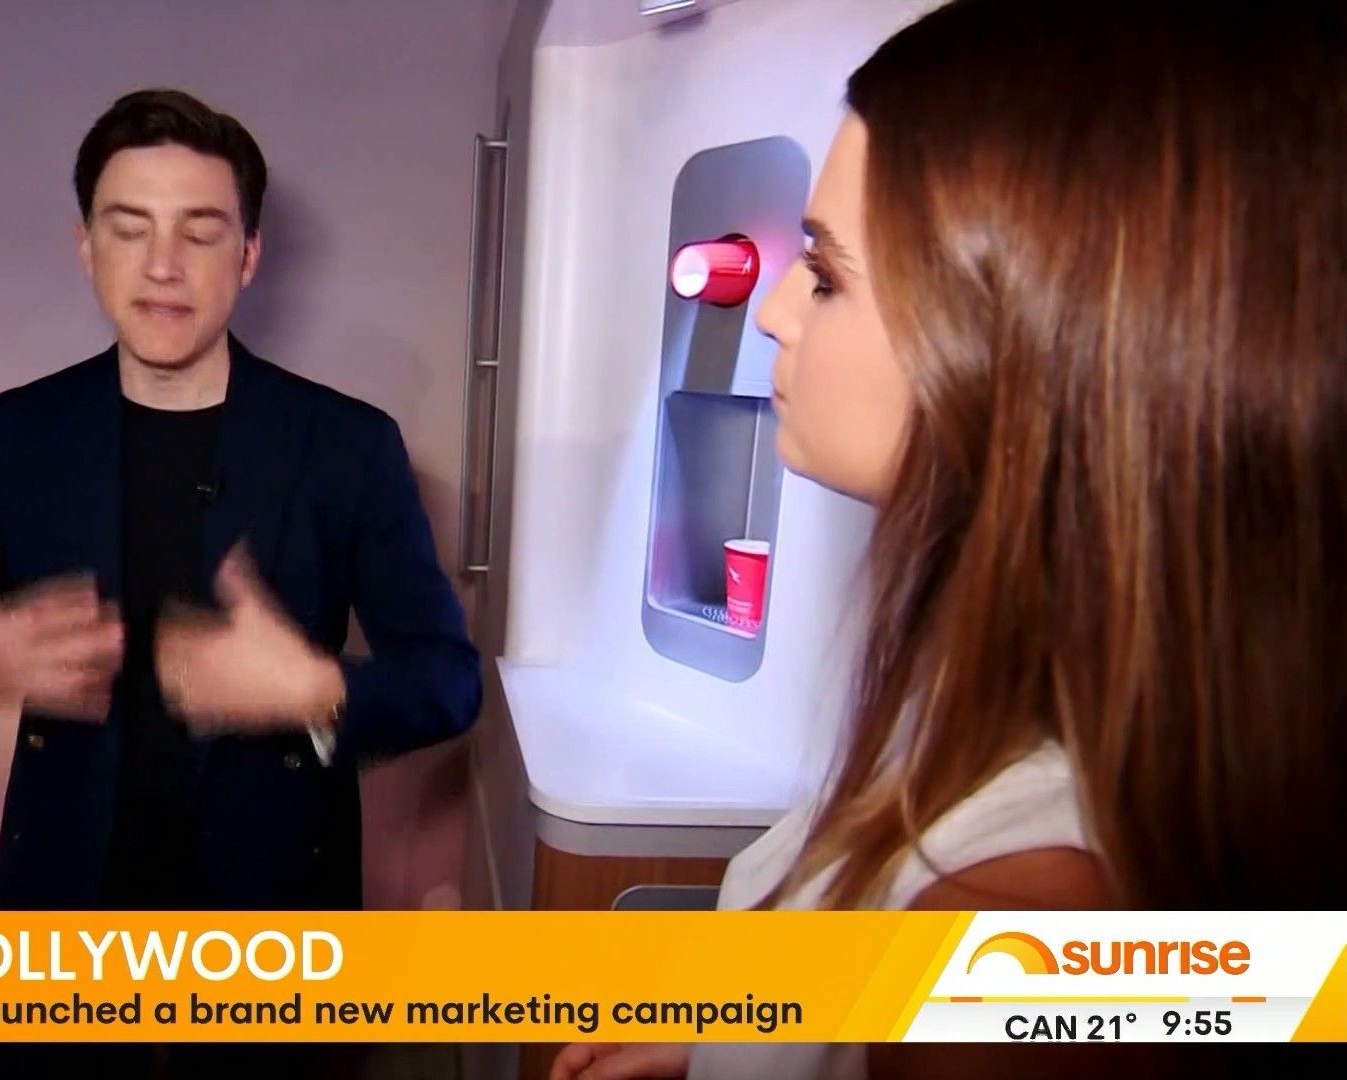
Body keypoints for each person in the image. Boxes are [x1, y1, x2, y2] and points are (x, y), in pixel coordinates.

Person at [554, 1, 1346, 1077]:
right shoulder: (987, 717)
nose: (777, 311)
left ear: (1028, 343)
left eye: (827, 273)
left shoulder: (1013, 944)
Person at [0, 88, 481, 1077]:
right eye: (129, 230)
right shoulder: (13, 434)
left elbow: (449, 681)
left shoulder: (348, 445)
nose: (162, 264)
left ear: (247, 256)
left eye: (200, 234)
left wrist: (317, 690)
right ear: (86, 247)